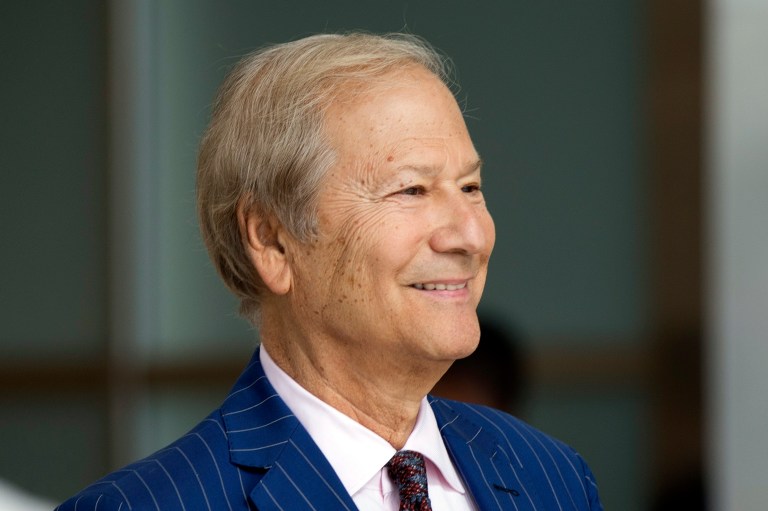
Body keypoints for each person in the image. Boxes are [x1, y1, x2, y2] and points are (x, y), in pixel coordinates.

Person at [58, 32, 603, 510]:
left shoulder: (550, 477)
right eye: (410, 190)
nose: (470, 235)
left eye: (470, 188)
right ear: (272, 241)